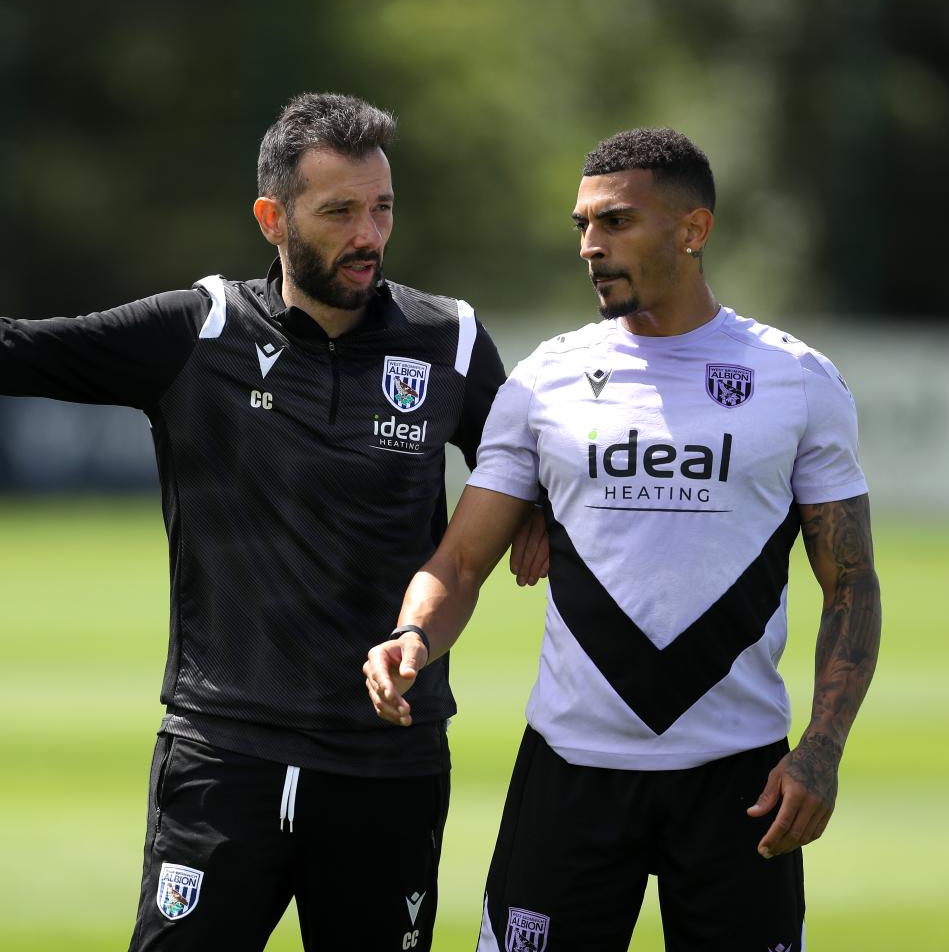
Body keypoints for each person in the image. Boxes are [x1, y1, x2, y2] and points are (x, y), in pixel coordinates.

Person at [0, 93, 548, 952]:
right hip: (224, 759)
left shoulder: (452, 341)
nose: (368, 234)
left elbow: (526, 475)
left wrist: (538, 512)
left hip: (388, 764)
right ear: (272, 217)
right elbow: (0, 348)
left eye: (382, 208)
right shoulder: (200, 330)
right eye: (339, 212)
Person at [364, 127, 881, 951]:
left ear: (694, 229)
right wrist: (412, 633)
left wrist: (821, 749)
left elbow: (851, 583)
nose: (591, 246)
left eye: (616, 222)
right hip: (571, 773)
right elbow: (462, 559)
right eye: (582, 226)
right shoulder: (543, 381)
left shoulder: (800, 382)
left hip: (739, 780)